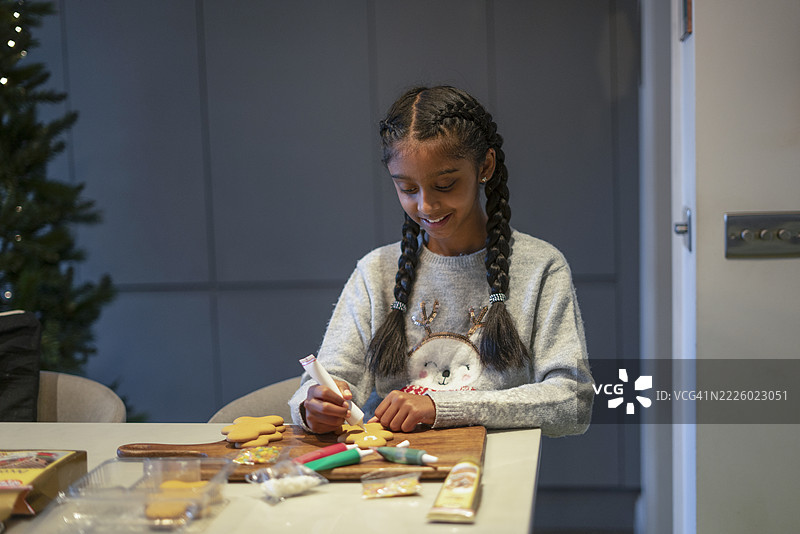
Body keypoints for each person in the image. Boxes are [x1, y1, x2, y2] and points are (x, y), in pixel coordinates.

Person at [289, 85, 593, 437]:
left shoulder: (540, 266)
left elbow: (573, 403)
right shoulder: (376, 272)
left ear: (486, 167)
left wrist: (441, 407)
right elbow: (328, 380)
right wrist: (312, 407)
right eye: (407, 189)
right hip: (389, 472)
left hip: (495, 470)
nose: (426, 206)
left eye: (445, 185)